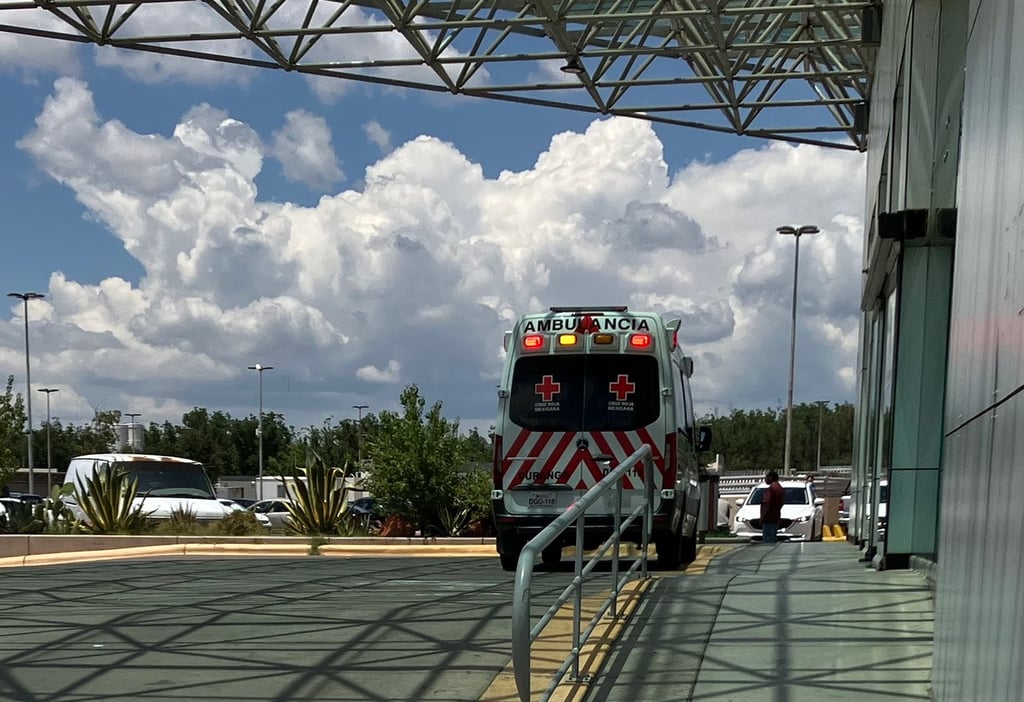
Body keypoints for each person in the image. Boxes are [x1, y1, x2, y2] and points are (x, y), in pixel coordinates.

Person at [760, 470, 785, 543]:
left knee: (768, 541)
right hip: (775, 517)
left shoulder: (772, 488)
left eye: (766, 477)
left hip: (769, 518)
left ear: (771, 477)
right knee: (773, 538)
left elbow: (767, 503)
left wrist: (763, 517)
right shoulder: (779, 488)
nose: (765, 479)